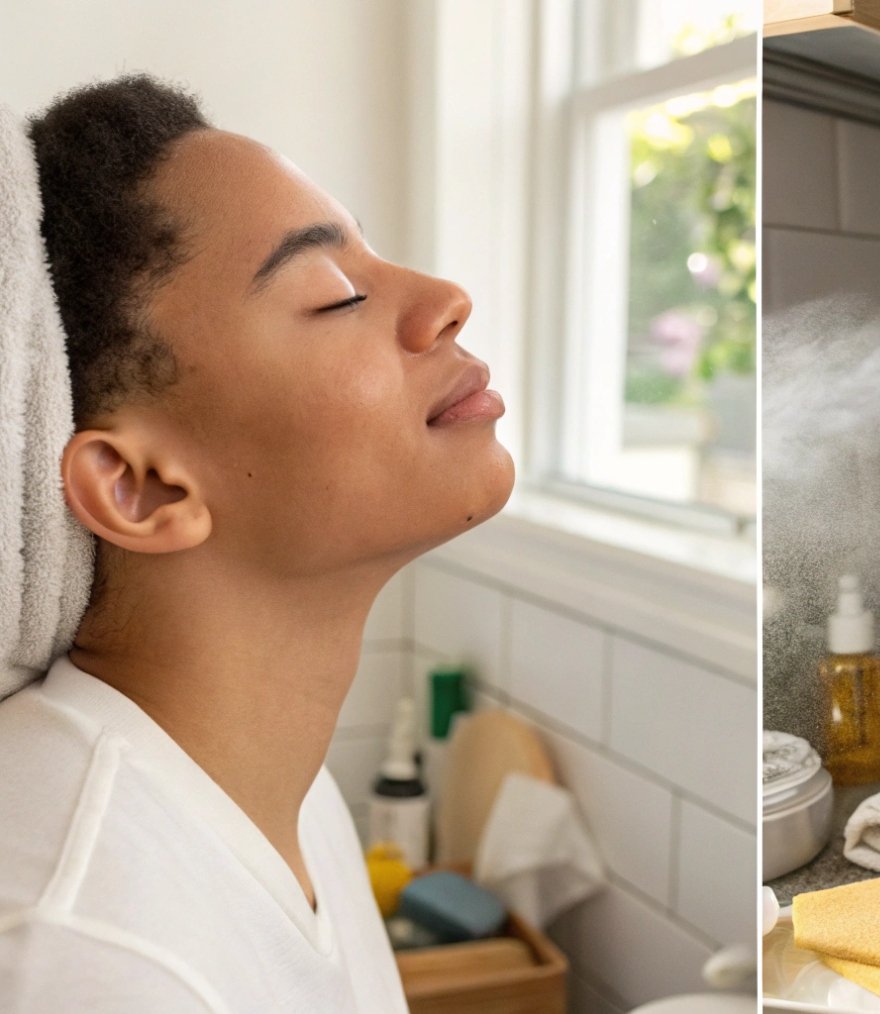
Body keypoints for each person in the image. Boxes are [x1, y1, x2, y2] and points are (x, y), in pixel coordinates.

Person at [0, 74, 513, 1011]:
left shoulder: (278, 795)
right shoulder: (86, 958)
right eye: (333, 293)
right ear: (142, 486)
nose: (447, 297)